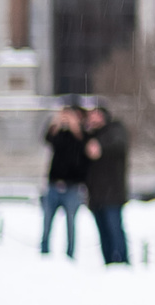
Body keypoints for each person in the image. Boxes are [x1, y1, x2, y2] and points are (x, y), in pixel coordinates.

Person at [84, 101, 132, 266]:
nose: (93, 119)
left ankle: (122, 262)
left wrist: (100, 147)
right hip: (95, 195)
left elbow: (118, 145)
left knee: (115, 229)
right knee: (103, 233)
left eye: (96, 115)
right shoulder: (88, 136)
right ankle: (109, 264)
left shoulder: (115, 130)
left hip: (113, 194)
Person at [39, 100, 87, 259]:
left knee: (71, 223)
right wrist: (57, 122)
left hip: (72, 187)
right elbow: (48, 139)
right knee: (47, 222)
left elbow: (83, 144)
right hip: (54, 185)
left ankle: (70, 255)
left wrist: (74, 125)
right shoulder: (60, 133)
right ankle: (44, 253)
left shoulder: (81, 134)